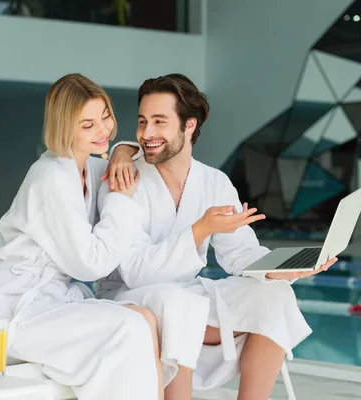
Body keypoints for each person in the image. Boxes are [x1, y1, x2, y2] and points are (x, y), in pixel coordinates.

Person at [97, 73, 337, 400]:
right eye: (142, 122)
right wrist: (200, 230)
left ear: (189, 125)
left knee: (275, 295)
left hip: (184, 295)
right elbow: (136, 273)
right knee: (177, 301)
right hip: (129, 296)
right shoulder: (126, 177)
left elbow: (240, 253)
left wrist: (281, 267)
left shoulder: (214, 182)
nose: (146, 134)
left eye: (159, 122)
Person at [0, 73, 164, 400]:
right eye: (88, 125)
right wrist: (120, 200)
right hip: (9, 312)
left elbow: (130, 157)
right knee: (128, 327)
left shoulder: (88, 167)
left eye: (105, 117)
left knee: (142, 318)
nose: (102, 130)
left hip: (49, 299)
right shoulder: (52, 178)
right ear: (64, 128)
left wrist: (122, 151)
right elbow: (91, 265)